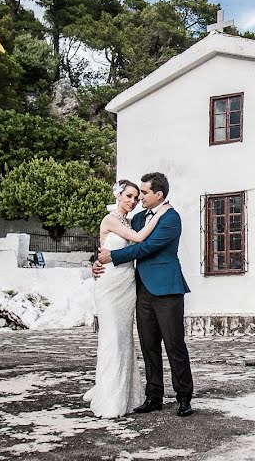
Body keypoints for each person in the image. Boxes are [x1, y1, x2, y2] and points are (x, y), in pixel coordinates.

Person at [94, 172, 194, 417]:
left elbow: (146, 247)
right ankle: (154, 396)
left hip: (167, 289)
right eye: (137, 194)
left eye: (145, 193)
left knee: (174, 345)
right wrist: (98, 262)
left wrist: (112, 258)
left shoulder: (171, 218)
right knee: (149, 347)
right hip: (140, 290)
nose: (140, 198)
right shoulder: (137, 218)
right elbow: (117, 241)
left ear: (158, 194)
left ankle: (184, 397)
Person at [84, 179, 170, 418]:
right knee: (111, 337)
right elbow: (139, 238)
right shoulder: (110, 218)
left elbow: (116, 250)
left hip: (127, 285)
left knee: (124, 338)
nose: (133, 201)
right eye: (129, 196)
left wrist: (99, 259)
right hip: (110, 284)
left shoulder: (129, 221)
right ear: (118, 195)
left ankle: (128, 394)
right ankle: (110, 397)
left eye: (136, 197)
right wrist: (160, 212)